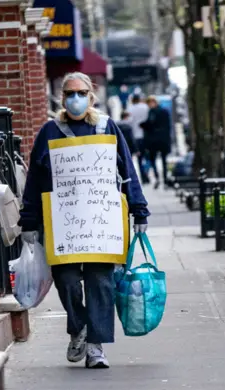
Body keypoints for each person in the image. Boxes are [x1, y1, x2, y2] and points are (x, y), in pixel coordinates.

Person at [19, 72, 150, 369]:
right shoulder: (49, 132)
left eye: (81, 92)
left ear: (91, 96)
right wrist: (28, 221)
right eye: (69, 93)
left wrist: (139, 209)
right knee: (65, 281)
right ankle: (79, 326)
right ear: (61, 98)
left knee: (99, 282)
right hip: (62, 224)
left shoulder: (107, 127)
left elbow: (126, 170)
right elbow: (35, 180)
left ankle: (96, 347)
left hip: (100, 221)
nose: (75, 98)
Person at [140, 95, 172, 189]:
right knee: (163, 160)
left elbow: (150, 124)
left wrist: (142, 125)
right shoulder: (165, 111)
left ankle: (158, 178)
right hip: (163, 140)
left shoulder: (152, 112)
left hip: (154, 140)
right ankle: (164, 179)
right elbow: (168, 126)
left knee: (153, 160)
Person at [127, 94, 151, 184]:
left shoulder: (130, 109)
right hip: (146, 135)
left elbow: (129, 122)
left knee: (140, 158)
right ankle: (147, 171)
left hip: (136, 136)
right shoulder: (145, 107)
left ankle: (144, 177)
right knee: (148, 156)